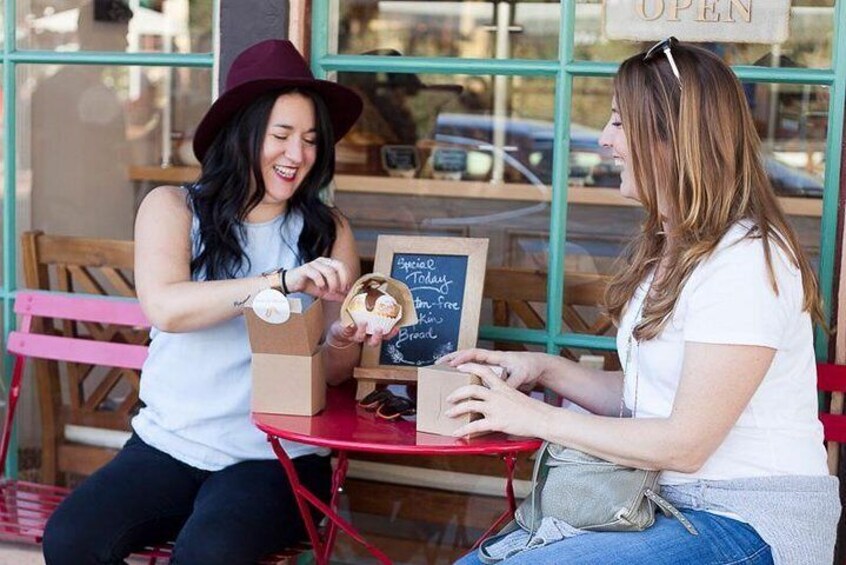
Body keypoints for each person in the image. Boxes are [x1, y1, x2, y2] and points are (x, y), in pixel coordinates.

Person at [443, 38, 840, 565]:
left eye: (619, 122)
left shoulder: (745, 261)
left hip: (746, 519)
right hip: (658, 502)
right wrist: (543, 370)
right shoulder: (673, 246)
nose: (605, 140)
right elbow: (653, 401)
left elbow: (685, 443)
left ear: (673, 137)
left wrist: (536, 419)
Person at [42, 39, 395, 564]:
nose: (297, 155)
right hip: (171, 444)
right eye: (280, 136)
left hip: (277, 457)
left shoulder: (325, 230)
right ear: (242, 132)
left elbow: (337, 372)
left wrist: (342, 340)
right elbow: (167, 308)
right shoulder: (172, 209)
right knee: (71, 541)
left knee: (210, 554)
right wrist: (280, 282)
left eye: (311, 140)